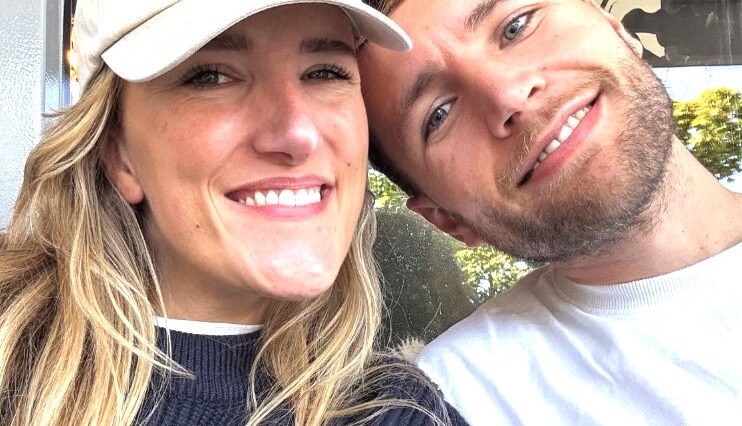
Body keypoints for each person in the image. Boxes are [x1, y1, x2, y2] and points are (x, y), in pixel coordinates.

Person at [0, 1, 468, 425]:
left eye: (325, 72)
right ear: (117, 152)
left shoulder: (398, 413)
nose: (297, 134)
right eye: (212, 77)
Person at [358, 0, 742, 424]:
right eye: (439, 114)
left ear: (613, 26)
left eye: (515, 27)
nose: (509, 95)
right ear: (446, 219)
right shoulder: (453, 399)